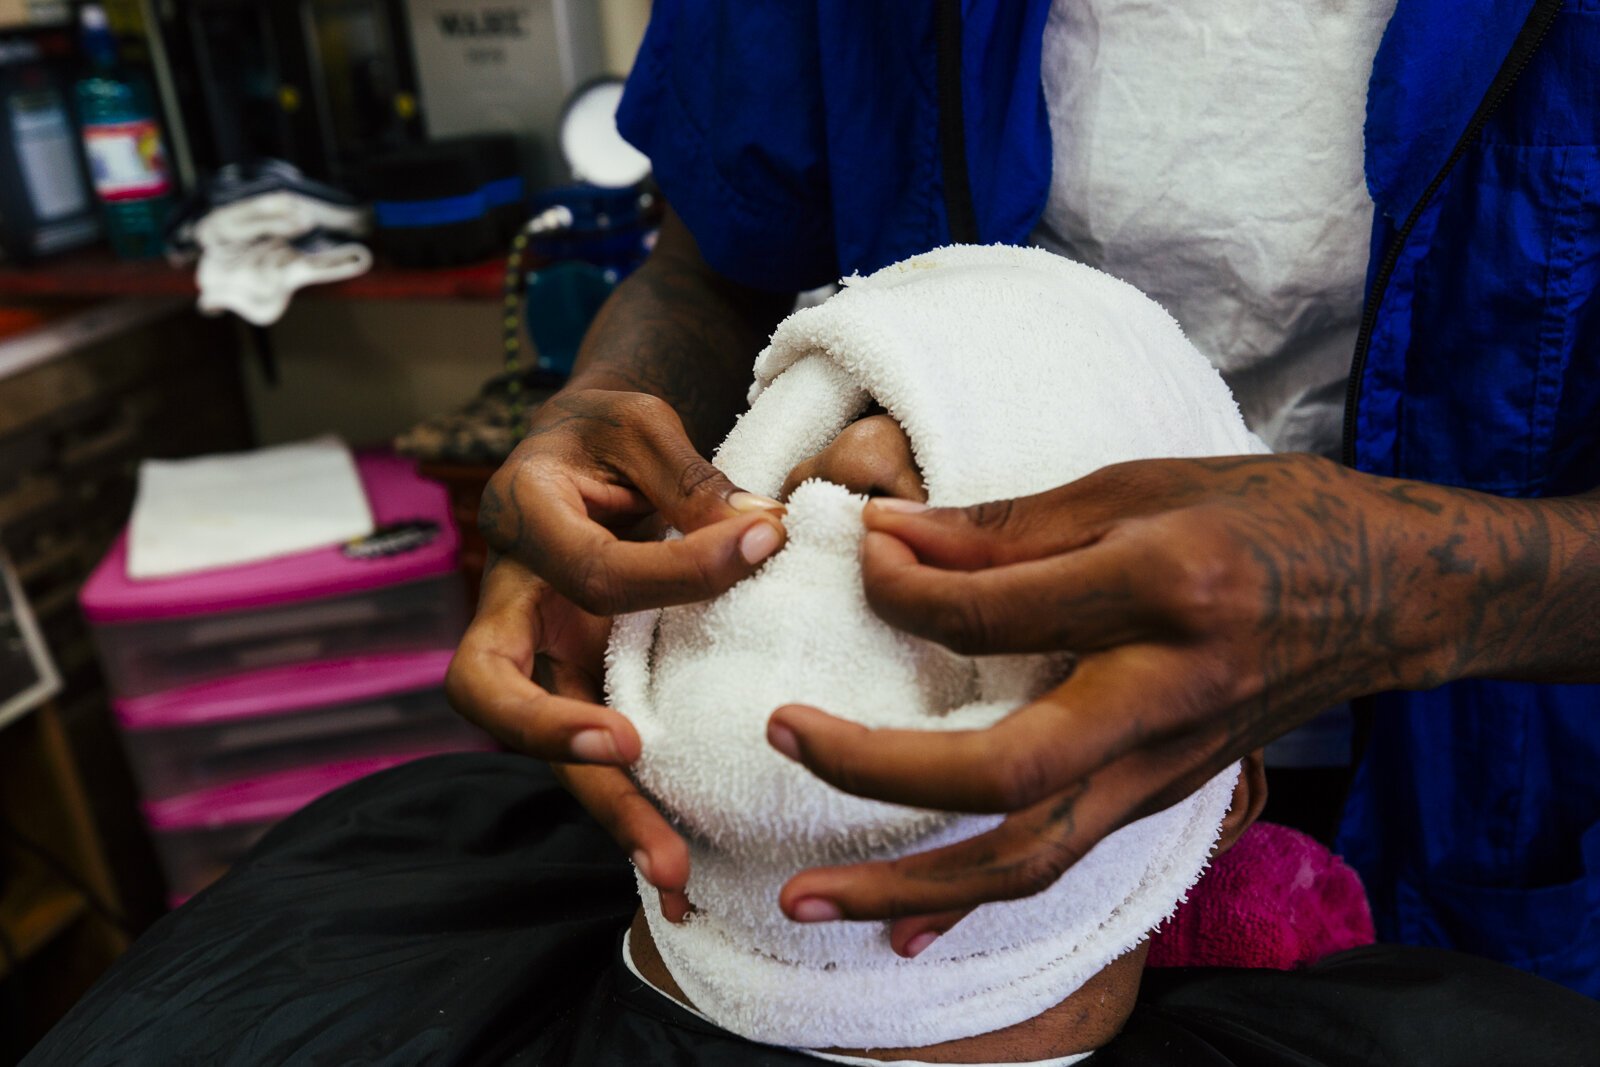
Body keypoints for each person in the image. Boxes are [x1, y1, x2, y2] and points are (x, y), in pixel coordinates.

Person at [447, 0, 1600, 997]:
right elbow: (713, 262)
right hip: (928, 739)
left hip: (1501, 779)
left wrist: (1424, 589)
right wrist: (600, 416)